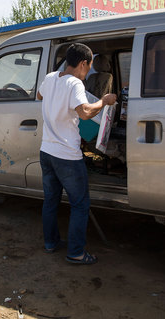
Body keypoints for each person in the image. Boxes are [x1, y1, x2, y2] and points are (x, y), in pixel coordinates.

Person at [36, 43, 117, 264]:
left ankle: (51, 243)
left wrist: (57, 104)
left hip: (47, 151)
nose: (88, 71)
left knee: (50, 200)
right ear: (83, 63)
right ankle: (76, 253)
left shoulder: (51, 77)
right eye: (88, 66)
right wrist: (104, 101)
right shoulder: (75, 84)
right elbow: (84, 113)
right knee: (80, 204)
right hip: (67, 156)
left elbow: (39, 95)